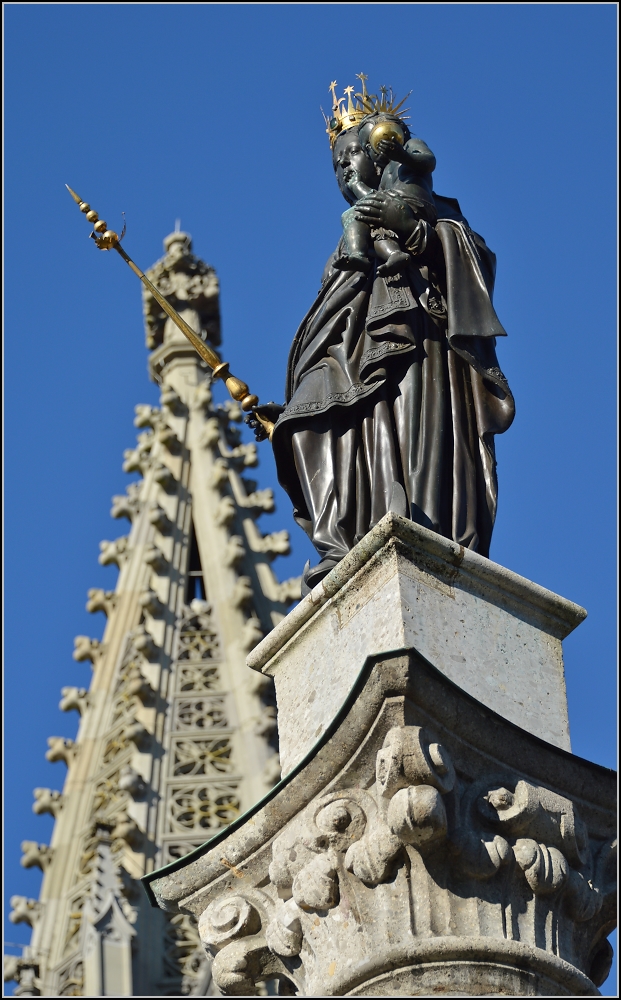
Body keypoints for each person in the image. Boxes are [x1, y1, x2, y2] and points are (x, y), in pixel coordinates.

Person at [250, 80, 515, 594]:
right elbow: (331, 321)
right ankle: (342, 545)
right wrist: (288, 410)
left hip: (421, 350)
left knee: (420, 452)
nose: (345, 169)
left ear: (378, 152)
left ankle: (428, 533)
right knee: (304, 424)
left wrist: (414, 233)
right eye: (336, 166)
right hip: (357, 360)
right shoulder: (352, 226)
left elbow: (475, 259)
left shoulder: (430, 208)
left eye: (352, 155)